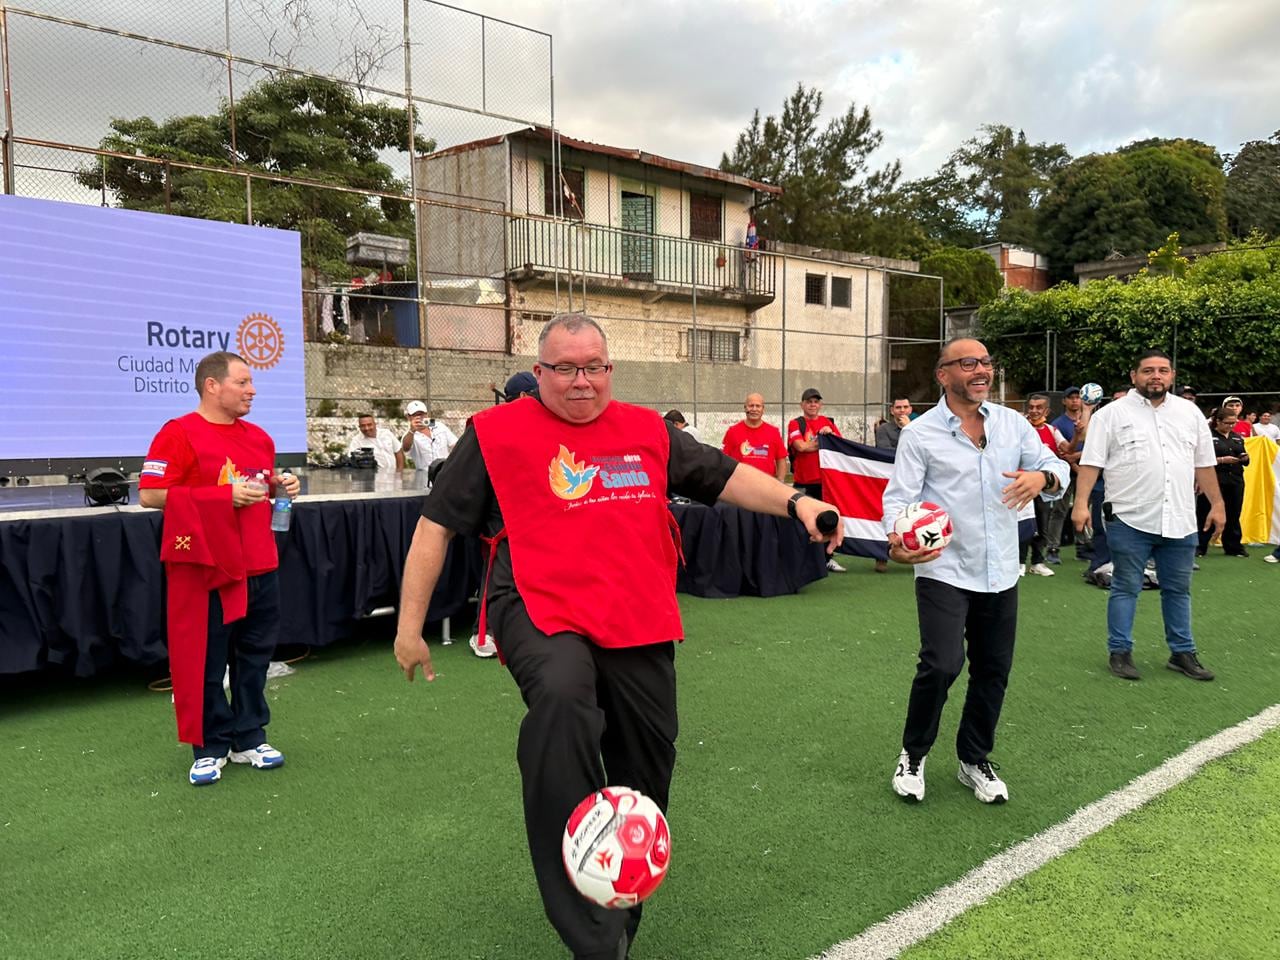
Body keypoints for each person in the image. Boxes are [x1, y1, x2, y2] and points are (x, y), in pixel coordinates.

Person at [392, 313, 842, 960]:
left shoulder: (644, 430)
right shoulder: (493, 434)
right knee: (563, 697)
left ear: (610, 369)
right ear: (540, 373)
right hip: (538, 604)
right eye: (566, 369)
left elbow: (721, 475)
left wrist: (799, 503)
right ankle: (592, 940)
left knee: (646, 769)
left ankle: (617, 921)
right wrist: (411, 630)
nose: (582, 382)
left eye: (594, 367)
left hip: (635, 612)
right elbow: (435, 527)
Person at [882, 339, 1067, 805]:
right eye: (969, 363)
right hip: (944, 568)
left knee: (993, 669)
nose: (981, 370)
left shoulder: (1013, 424)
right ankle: (914, 753)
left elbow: (1055, 466)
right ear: (943, 375)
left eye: (985, 362)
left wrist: (1041, 478)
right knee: (942, 664)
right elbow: (899, 499)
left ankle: (973, 759)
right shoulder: (920, 434)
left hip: (1002, 569)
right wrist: (896, 541)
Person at [138, 351, 301, 786]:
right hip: (208, 566)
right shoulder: (178, 434)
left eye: (251, 383)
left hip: (260, 564)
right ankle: (211, 745)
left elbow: (258, 488)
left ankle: (250, 736)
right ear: (212, 385)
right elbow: (151, 495)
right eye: (243, 382)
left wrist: (281, 485)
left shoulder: (260, 438)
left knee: (254, 658)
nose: (252, 390)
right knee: (207, 660)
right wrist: (219, 497)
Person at [1072, 349, 1224, 683]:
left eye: (1163, 371)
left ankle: (1182, 652)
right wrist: (1081, 503)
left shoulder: (1190, 413)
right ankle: (1120, 651)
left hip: (1180, 519)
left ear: (1172, 375)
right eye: (1148, 371)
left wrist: (1217, 504)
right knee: (1126, 587)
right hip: (1129, 518)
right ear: (1134, 376)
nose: (1156, 376)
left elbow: (1204, 464)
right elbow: (1092, 463)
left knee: (1178, 589)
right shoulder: (1110, 415)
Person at [789, 387, 845, 572]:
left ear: (820, 404)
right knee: (800, 520)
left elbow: (839, 446)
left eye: (816, 401)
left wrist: (831, 434)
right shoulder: (795, 424)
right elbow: (801, 447)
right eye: (809, 401)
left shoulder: (828, 422)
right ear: (802, 404)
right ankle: (800, 558)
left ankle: (827, 558)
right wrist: (822, 440)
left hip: (825, 482)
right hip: (803, 481)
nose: (812, 405)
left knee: (827, 520)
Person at [1020, 393, 1067, 576]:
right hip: (1021, 484)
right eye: (1031, 407)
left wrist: (1079, 433)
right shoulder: (1020, 428)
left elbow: (1067, 449)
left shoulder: (1052, 430)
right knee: (1023, 524)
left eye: (1038, 407)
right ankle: (1019, 562)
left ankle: (1038, 562)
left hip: (1043, 486)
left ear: (1047, 410)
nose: (1034, 410)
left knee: (1042, 523)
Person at [1197, 411, 1250, 558]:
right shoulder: (1207, 437)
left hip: (1235, 479)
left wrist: (1244, 458)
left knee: (1234, 513)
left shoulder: (1237, 438)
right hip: (1214, 480)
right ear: (1218, 421)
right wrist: (1221, 460)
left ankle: (1233, 546)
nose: (1230, 426)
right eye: (1227, 423)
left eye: (1233, 423)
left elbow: (1245, 458)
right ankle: (1200, 546)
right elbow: (1201, 459)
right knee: (1205, 512)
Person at [1044, 386, 1085, 564]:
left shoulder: (1088, 421)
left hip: (1087, 473)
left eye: (1078, 397)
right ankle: (1053, 548)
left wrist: (1079, 458)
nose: (1075, 400)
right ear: (1064, 401)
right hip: (1067, 471)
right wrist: (1075, 464)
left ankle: (1082, 546)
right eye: (1071, 398)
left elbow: (1094, 447)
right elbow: (1064, 453)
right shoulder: (1058, 424)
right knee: (1059, 510)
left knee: (1083, 509)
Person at [721, 393, 787, 481]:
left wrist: (780, 481)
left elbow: (781, 459)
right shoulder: (732, 432)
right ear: (745, 408)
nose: (754, 409)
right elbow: (724, 459)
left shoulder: (773, 432)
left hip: (767, 485)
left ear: (763, 409)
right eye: (751, 406)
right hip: (739, 485)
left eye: (758, 406)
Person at [402, 400, 458, 470]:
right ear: (409, 417)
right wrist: (412, 430)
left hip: (444, 472)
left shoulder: (439, 426)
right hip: (425, 473)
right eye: (415, 415)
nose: (419, 417)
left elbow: (455, 445)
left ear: (427, 414)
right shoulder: (409, 435)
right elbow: (406, 448)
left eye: (422, 414)